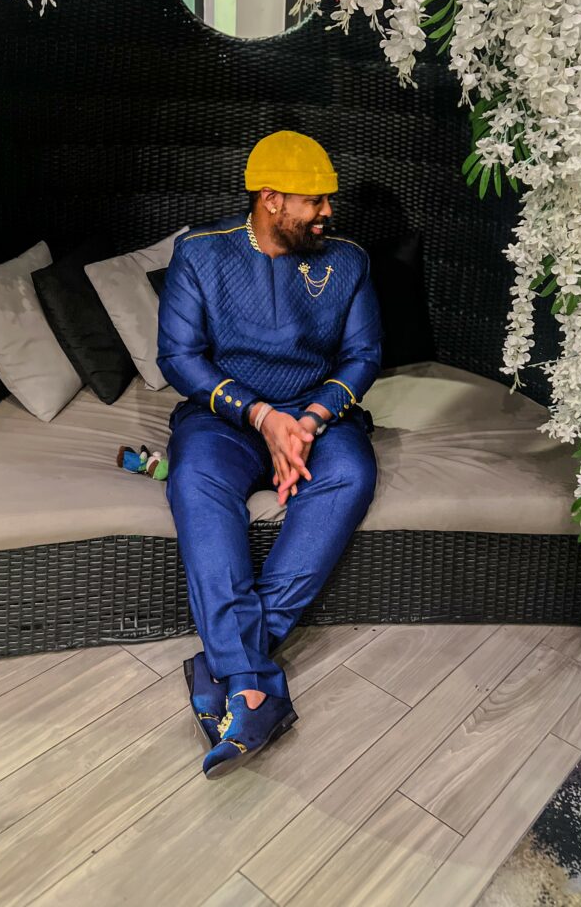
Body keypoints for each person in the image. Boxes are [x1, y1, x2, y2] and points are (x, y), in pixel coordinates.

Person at [157, 129, 383, 779]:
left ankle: (228, 667)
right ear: (271, 198)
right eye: (315, 201)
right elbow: (179, 357)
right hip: (225, 418)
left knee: (351, 472)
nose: (328, 212)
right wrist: (261, 416)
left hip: (316, 416)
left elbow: (364, 355)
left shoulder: (348, 261)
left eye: (328, 200)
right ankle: (253, 682)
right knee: (193, 478)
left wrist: (307, 421)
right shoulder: (200, 254)